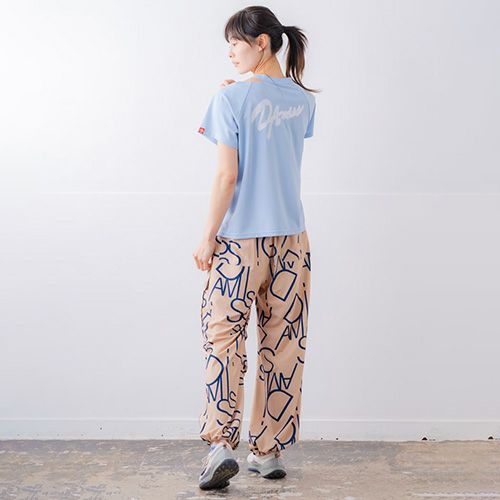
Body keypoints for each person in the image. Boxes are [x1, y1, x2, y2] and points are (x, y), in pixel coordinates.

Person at [192, 5, 319, 491]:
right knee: (283, 342)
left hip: (239, 241)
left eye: (235, 43)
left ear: (261, 42)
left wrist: (207, 235)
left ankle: (220, 446)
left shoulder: (228, 98)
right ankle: (267, 451)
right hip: (292, 241)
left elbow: (227, 175)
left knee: (223, 339)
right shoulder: (304, 100)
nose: (229, 52)